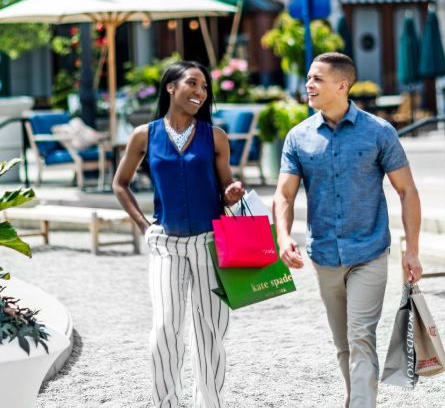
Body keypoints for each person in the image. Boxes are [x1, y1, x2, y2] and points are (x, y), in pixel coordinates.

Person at [273, 52, 423, 408]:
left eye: (317, 79)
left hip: (368, 252)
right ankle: (355, 397)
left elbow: (407, 190)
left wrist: (412, 250)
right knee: (343, 343)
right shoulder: (298, 137)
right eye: (309, 78)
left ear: (342, 85)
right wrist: (283, 237)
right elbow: (284, 194)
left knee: (360, 338)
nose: (308, 85)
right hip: (324, 255)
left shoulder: (378, 131)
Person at [113, 60, 244, 408]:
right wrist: (145, 226)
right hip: (166, 247)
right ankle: (167, 403)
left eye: (205, 87)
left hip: (211, 244)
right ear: (171, 87)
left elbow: (225, 185)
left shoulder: (215, 137)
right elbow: (120, 184)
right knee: (164, 330)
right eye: (193, 84)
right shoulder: (145, 134)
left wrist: (231, 193)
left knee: (211, 333)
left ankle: (210, 403)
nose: (200, 92)